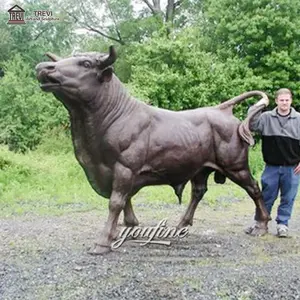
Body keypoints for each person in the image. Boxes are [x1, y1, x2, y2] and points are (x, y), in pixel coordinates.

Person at [246, 88, 300, 237]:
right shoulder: (266, 118)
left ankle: (283, 225)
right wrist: (260, 104)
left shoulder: (299, 119)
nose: (284, 103)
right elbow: (250, 123)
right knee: (266, 197)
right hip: (272, 167)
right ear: (276, 101)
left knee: (288, 197)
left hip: (292, 168)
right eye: (281, 100)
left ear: (291, 101)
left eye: (287, 100)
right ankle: (260, 223)